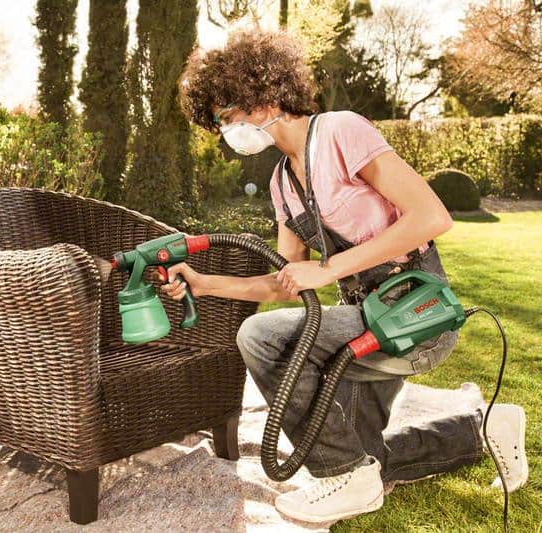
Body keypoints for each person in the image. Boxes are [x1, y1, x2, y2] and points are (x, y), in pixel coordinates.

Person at [161, 29, 528, 523]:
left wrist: (329, 268)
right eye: (220, 124)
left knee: (262, 339)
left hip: (414, 316)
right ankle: (480, 427)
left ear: (263, 94)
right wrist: (204, 284)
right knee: (364, 452)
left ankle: (343, 477)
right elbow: (283, 280)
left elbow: (431, 216)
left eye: (230, 116)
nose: (228, 131)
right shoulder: (281, 182)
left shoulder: (340, 131)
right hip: (362, 324)